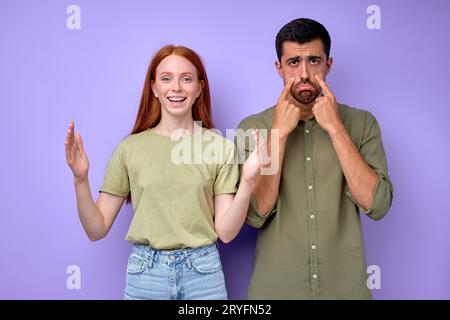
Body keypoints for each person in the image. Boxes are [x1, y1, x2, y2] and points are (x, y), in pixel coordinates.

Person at [64, 45, 264, 300]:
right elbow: (96, 229)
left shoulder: (220, 148)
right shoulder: (129, 149)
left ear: (199, 88)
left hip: (203, 275)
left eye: (187, 79)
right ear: (154, 88)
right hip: (146, 275)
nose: (176, 87)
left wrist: (247, 182)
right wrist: (80, 180)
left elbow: (225, 232)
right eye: (166, 78)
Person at [236, 18, 393, 299]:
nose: (305, 73)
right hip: (276, 292)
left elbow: (377, 205)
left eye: (314, 60)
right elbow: (255, 214)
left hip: (346, 291)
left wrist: (335, 128)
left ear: (328, 64)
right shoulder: (252, 127)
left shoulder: (362, 123)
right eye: (294, 62)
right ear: (279, 67)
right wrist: (278, 135)